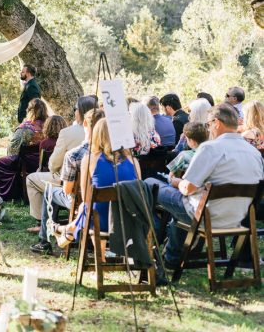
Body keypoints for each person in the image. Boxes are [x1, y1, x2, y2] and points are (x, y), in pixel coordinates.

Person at [146, 103, 264, 266]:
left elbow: (188, 188)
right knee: (180, 209)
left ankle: (150, 246)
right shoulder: (254, 152)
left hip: (207, 215)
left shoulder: (210, 148)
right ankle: (171, 256)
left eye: (208, 125)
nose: (208, 129)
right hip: (238, 216)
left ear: (217, 122)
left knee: (149, 184)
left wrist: (176, 182)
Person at [50, 118, 141, 248]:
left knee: (86, 206)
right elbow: (138, 192)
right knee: (90, 207)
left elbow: (87, 198)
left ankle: (73, 233)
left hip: (101, 223)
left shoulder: (89, 160)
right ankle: (69, 230)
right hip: (130, 220)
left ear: (97, 135)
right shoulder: (133, 161)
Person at [31, 108, 105, 254]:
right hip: (106, 201)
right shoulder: (114, 153)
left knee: (49, 191)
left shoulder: (74, 155)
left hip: (79, 201)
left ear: (85, 123)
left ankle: (44, 240)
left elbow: (66, 190)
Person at [25, 96, 97, 225]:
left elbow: (53, 164)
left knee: (30, 179)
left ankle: (41, 221)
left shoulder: (67, 133)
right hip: (95, 186)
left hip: (69, 184)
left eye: (75, 109)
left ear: (80, 112)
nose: (74, 112)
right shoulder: (104, 132)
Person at [0, 98, 48, 202]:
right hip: (45, 164)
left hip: (27, 164)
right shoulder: (49, 126)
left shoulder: (24, 128)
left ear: (30, 111)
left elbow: (12, 149)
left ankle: (6, 194)